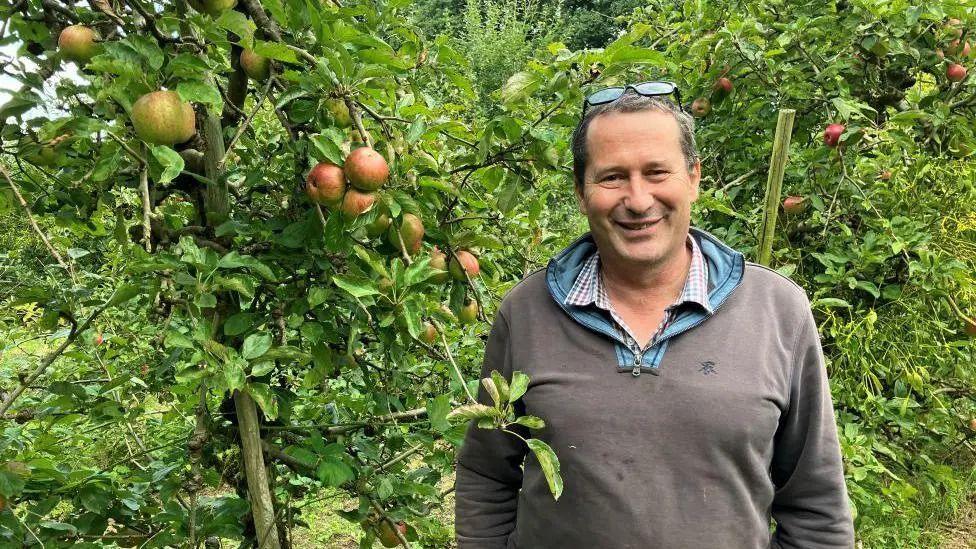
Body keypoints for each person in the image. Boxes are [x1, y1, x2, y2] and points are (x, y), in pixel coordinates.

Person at [454, 82, 855, 548]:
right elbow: (487, 474)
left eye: (657, 172)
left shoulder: (777, 311)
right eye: (612, 177)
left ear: (694, 178)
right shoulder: (525, 313)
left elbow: (815, 504)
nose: (639, 199)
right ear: (581, 192)